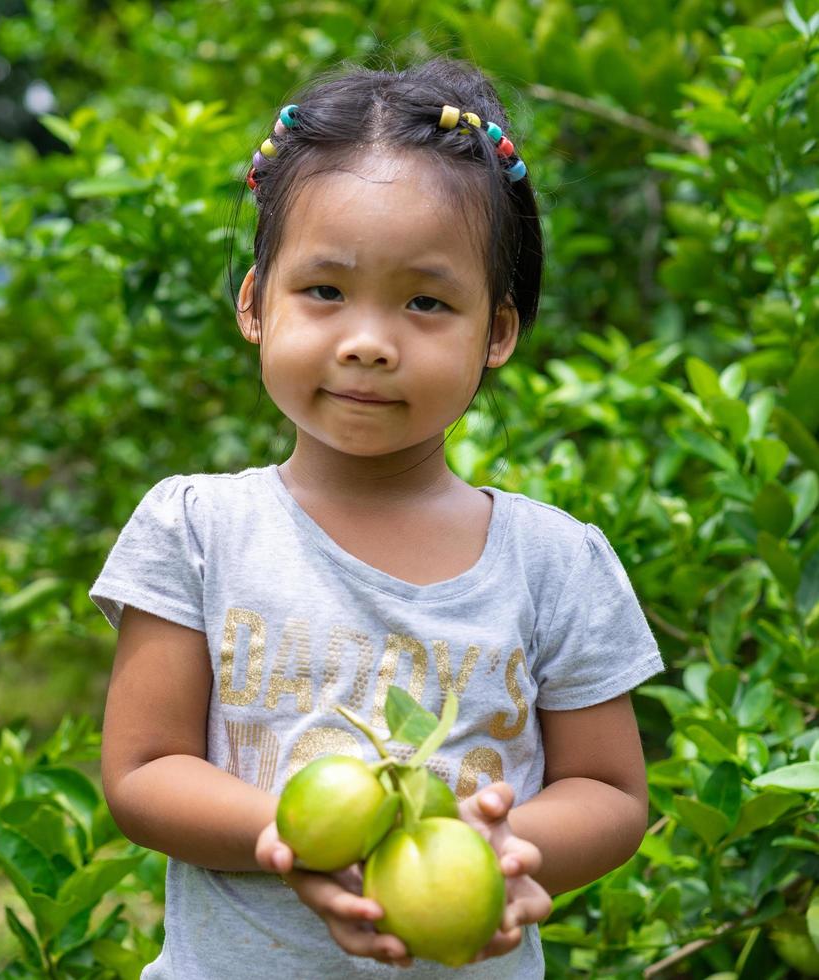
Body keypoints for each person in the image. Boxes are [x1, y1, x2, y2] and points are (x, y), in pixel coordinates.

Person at [89, 57, 665, 978]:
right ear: (253, 303)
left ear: (497, 333)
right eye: (323, 291)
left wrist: (512, 853)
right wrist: (290, 834)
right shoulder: (196, 531)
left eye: (426, 302)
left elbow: (607, 791)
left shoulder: (555, 561)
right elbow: (144, 772)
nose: (367, 340)